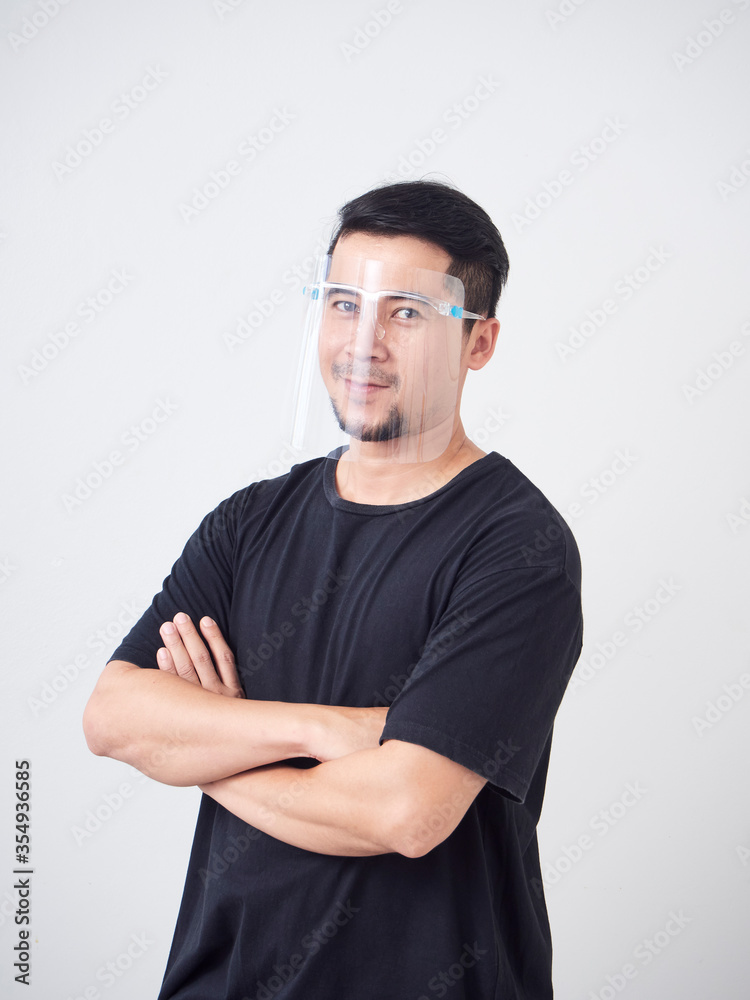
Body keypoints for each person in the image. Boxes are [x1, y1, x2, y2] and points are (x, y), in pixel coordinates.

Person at [83, 179, 583, 1000]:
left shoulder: (517, 547)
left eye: (408, 313)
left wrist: (206, 751)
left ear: (479, 343)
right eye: (345, 303)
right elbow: (112, 717)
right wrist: (335, 731)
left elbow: (405, 813)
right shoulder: (248, 523)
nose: (364, 342)